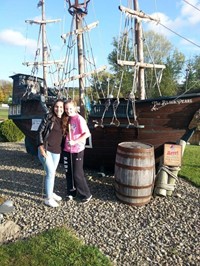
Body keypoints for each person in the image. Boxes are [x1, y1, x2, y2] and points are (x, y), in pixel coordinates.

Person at [62, 99, 92, 203]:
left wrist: (75, 141)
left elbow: (87, 134)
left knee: (77, 173)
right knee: (68, 172)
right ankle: (71, 192)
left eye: (70, 108)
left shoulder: (79, 119)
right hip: (67, 149)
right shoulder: (66, 118)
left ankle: (86, 194)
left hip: (77, 149)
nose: (68, 110)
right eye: (66, 109)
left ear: (74, 108)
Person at [37, 99, 64, 208]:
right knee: (51, 173)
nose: (59, 109)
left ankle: (50, 192)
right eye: (57, 106)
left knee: (52, 173)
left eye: (61, 107)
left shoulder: (64, 119)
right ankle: (48, 199)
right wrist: (40, 147)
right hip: (46, 149)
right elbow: (39, 132)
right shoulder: (48, 117)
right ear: (53, 107)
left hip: (57, 151)